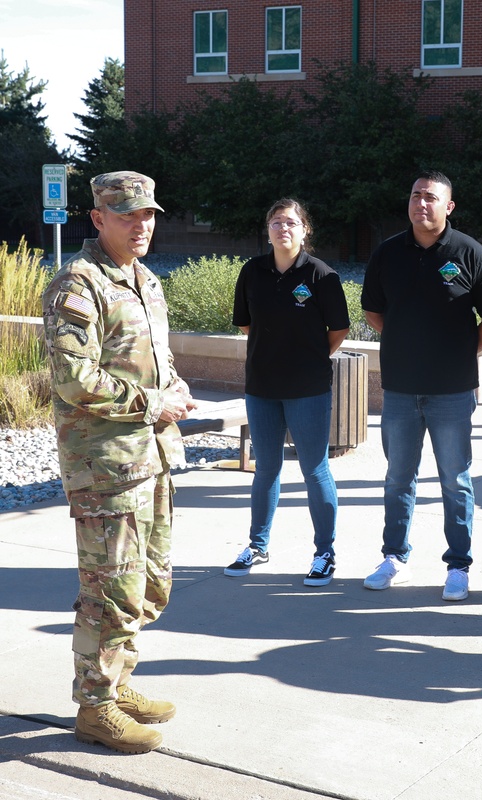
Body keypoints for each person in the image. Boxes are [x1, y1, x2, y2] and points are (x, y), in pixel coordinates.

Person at [42, 171, 196, 754]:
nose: (142, 225)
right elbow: (74, 379)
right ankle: (95, 706)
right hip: (104, 465)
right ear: (98, 219)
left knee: (148, 585)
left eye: (149, 215)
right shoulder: (76, 286)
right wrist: (156, 402)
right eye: (128, 215)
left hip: (150, 456)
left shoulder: (144, 281)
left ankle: (119, 679)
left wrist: (174, 388)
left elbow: (157, 358)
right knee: (109, 588)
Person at [360, 171, 482, 601]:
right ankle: (394, 558)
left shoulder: (470, 253)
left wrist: (461, 353)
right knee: (397, 478)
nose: (421, 203)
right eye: (415, 195)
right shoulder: (388, 253)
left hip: (452, 391)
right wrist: (409, 346)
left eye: (431, 198)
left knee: (455, 480)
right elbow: (374, 313)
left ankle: (458, 565)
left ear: (449, 206)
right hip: (401, 390)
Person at [224, 199, 350, 587]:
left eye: (291, 223)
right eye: (277, 222)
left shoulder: (320, 276)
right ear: (268, 229)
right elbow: (246, 325)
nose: (283, 229)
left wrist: (305, 358)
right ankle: (257, 545)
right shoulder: (252, 272)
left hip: (308, 389)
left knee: (314, 469)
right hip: (261, 387)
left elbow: (338, 331)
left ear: (304, 230)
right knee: (266, 468)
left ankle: (324, 552)